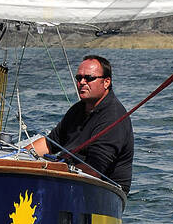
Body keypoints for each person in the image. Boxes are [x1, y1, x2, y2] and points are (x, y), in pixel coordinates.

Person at [28, 55, 133, 193]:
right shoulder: (78, 109)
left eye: (89, 78)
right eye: (79, 78)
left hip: (100, 191)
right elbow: (49, 144)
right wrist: (19, 156)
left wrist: (49, 168)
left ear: (106, 82)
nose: (82, 82)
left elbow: (94, 170)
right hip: (66, 179)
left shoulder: (113, 116)